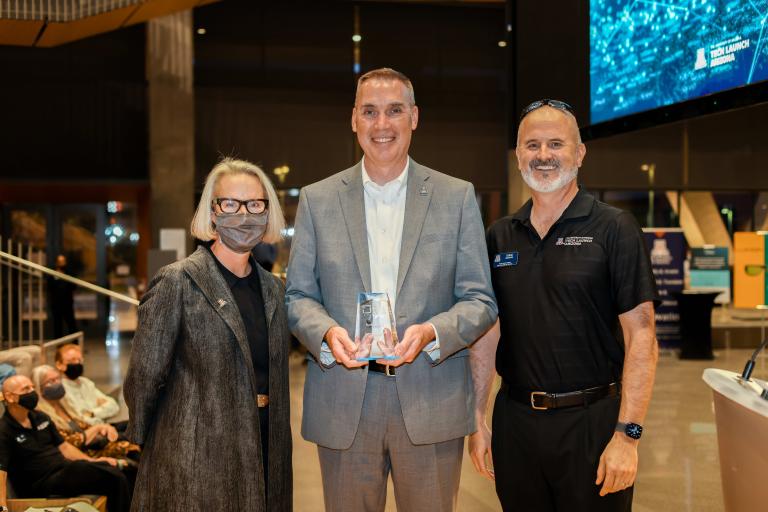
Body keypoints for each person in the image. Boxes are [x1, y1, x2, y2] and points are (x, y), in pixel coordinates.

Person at [285, 68, 497, 512]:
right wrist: (325, 333)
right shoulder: (317, 200)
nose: (382, 125)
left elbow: (480, 300)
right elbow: (298, 296)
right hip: (345, 400)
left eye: (395, 111)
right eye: (371, 112)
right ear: (354, 120)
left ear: (414, 117)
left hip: (429, 398)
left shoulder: (456, 197)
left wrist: (432, 333)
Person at [470, 99, 659, 512]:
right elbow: (488, 332)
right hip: (515, 423)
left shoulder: (614, 227)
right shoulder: (500, 236)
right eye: (532, 145)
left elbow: (641, 333)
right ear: (518, 153)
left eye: (556, 144)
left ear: (579, 153)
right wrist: (478, 420)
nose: (543, 156)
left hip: (592, 424)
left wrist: (628, 436)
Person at [124, 157, 293, 511]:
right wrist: (146, 439)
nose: (244, 214)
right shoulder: (178, 281)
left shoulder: (274, 290)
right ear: (212, 212)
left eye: (255, 204)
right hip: (196, 459)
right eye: (230, 203)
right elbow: (144, 376)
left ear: (267, 212)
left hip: (266, 447)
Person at [0, 375, 131, 512]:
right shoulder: (4, 430)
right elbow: (1, 472)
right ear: (10, 397)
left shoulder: (40, 417)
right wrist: (2, 507)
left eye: (33, 387)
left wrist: (93, 461)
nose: (33, 392)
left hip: (64, 470)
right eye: (26, 389)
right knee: (112, 477)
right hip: (42, 482)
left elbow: (65, 447)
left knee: (123, 471)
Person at [32, 365, 140, 462]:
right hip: (83, 453)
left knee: (131, 436)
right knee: (127, 444)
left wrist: (102, 428)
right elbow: (69, 443)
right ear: (39, 388)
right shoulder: (42, 416)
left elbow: (83, 425)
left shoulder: (63, 404)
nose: (57, 383)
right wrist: (97, 428)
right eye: (51, 381)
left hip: (92, 442)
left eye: (57, 379)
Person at [55, 343, 120, 425]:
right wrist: (101, 409)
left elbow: (113, 406)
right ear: (59, 365)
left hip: (102, 426)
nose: (77, 363)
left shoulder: (86, 382)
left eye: (79, 360)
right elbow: (80, 420)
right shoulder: (60, 390)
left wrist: (92, 413)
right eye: (72, 360)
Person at [48, 254, 78, 338]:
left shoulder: (69, 272)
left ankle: (75, 344)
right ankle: (58, 346)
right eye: (60, 261)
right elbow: (50, 287)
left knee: (71, 324)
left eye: (63, 261)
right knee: (57, 325)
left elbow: (73, 286)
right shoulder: (51, 273)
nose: (62, 263)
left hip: (67, 303)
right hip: (56, 303)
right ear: (56, 263)